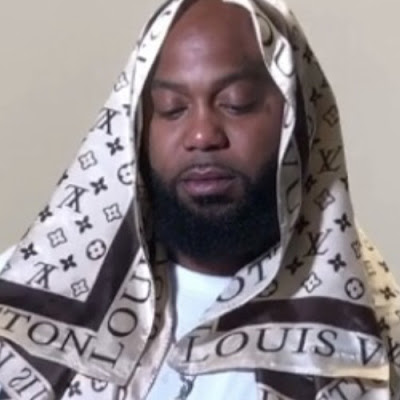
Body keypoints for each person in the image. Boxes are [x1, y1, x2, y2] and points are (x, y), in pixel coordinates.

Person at [0, 0, 399, 399]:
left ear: (298, 119)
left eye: (236, 102)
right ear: (137, 127)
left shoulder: (371, 342)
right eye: (172, 109)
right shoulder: (20, 304)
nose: (202, 134)